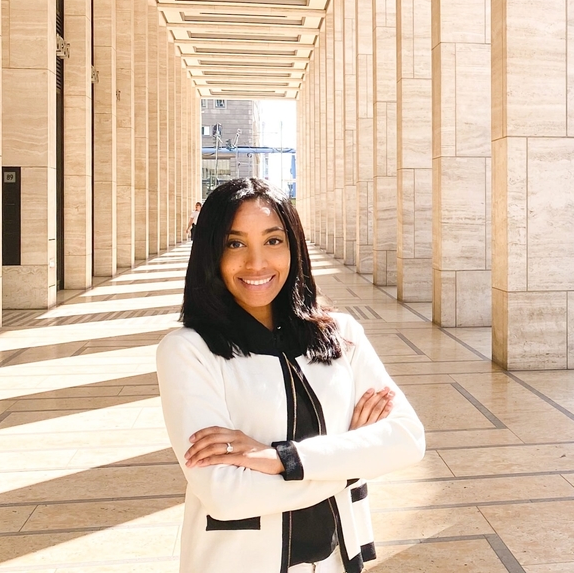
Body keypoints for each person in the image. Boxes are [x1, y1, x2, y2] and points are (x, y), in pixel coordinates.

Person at [157, 178, 425, 573]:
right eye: (235, 244)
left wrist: (280, 459)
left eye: (273, 241)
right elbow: (225, 494)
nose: (256, 263)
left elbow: (407, 439)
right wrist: (352, 458)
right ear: (210, 253)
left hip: (337, 560)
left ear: (294, 246)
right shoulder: (188, 351)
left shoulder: (342, 334)